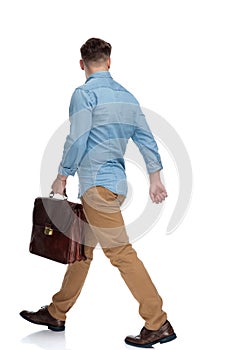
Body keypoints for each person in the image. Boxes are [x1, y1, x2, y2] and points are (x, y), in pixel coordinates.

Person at [20, 38, 177, 348]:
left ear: (82, 64)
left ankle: (158, 322)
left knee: (121, 253)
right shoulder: (128, 97)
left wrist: (61, 176)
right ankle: (57, 311)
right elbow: (146, 139)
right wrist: (154, 178)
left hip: (96, 189)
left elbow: (77, 138)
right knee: (81, 250)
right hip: (115, 187)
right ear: (109, 61)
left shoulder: (84, 94)